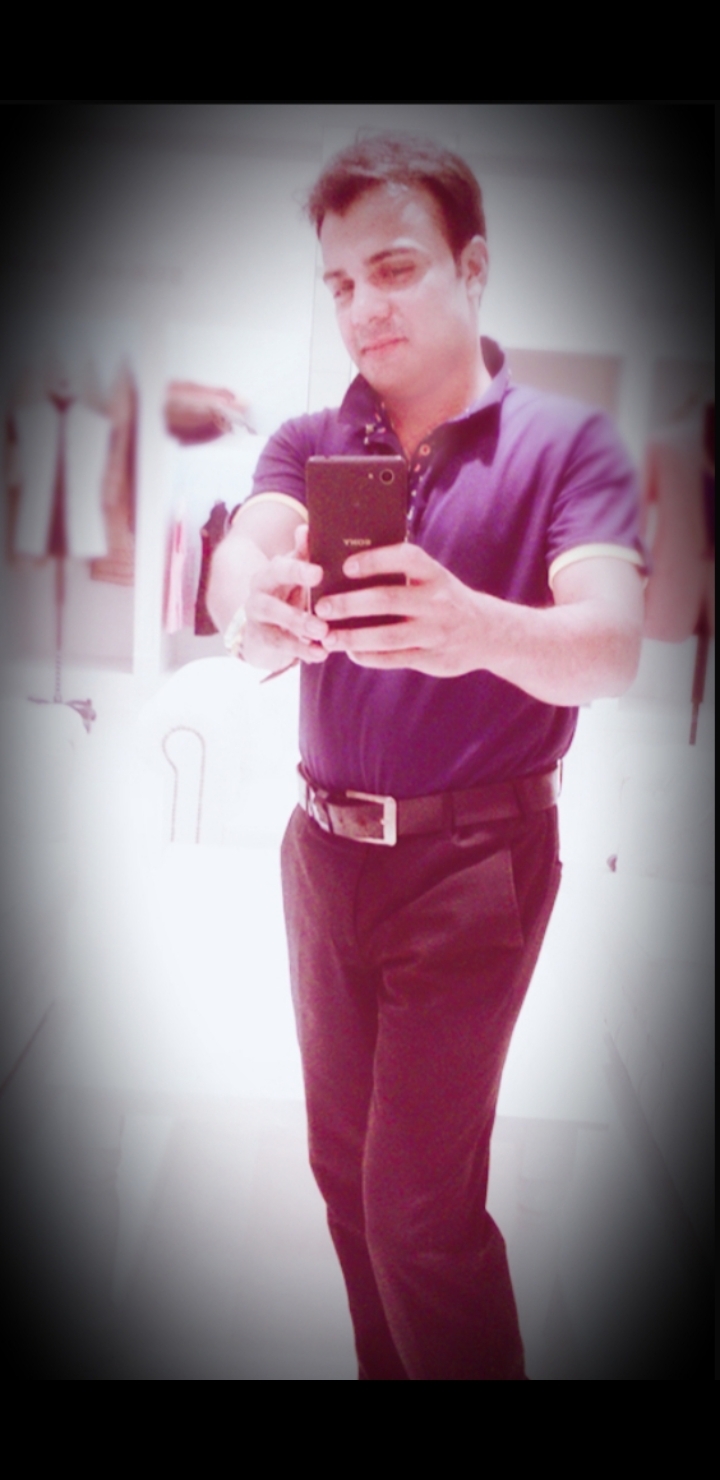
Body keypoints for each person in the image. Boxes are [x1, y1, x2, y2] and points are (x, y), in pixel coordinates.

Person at [207, 135, 645, 1380]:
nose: (363, 307)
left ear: (474, 266)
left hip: (476, 863)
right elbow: (247, 550)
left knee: (417, 1215)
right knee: (342, 1178)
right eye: (341, 283)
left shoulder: (569, 446)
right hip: (320, 855)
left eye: (394, 268)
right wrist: (251, 609)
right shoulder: (313, 438)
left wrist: (477, 631)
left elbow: (613, 644)